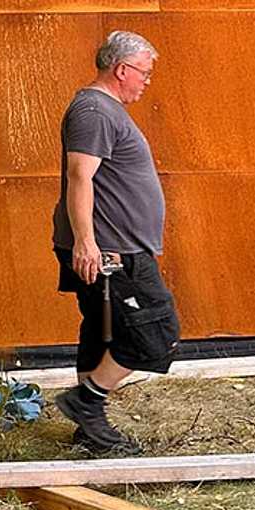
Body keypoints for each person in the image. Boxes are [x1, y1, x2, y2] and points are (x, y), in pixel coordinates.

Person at [50, 30, 180, 456]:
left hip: (112, 247)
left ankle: (91, 433)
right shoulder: (95, 111)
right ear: (121, 69)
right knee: (156, 334)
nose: (146, 81)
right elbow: (79, 177)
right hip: (109, 252)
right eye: (143, 73)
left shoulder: (104, 110)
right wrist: (87, 243)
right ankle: (86, 403)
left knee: (101, 334)